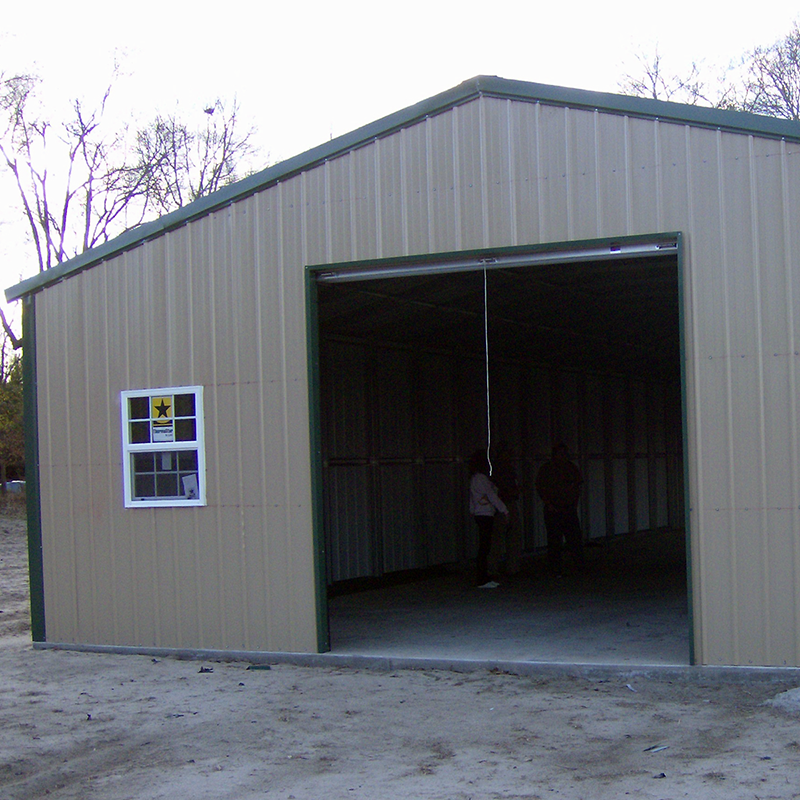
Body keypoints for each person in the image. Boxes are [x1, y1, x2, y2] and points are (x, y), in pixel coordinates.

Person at [535, 443, 584, 576]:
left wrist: (574, 504)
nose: (563, 456)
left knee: (574, 538)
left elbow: (577, 486)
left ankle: (579, 565)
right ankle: (555, 568)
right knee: (554, 540)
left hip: (568, 508)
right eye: (560, 454)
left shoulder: (571, 467)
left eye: (564, 454)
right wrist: (548, 504)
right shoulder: (547, 469)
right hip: (554, 509)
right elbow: (540, 488)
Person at [468, 449, 508, 589]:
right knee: (485, 547)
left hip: (480, 514)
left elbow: (474, 498)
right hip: (485, 514)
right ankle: (482, 579)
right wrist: (504, 509)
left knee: (484, 546)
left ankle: (483, 577)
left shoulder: (475, 478)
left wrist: (473, 510)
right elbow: (491, 495)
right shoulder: (481, 479)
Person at [487, 441, 523, 575]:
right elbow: (497, 489)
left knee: (510, 537)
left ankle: (509, 567)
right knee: (499, 537)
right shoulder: (499, 469)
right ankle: (495, 568)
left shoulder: (507, 468)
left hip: (508, 503)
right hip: (502, 505)